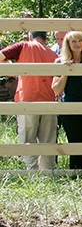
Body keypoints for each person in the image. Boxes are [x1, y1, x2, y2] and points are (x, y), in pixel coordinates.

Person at [0, 31, 58, 170]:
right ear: (45, 39)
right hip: (49, 99)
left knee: (28, 138)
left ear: (31, 36)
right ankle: (47, 173)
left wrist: (11, 70)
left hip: (27, 99)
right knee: (48, 139)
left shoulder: (23, 46)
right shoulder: (52, 54)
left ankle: (31, 172)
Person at [52, 31, 82, 170]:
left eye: (80, 41)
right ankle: (75, 172)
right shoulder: (60, 62)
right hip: (69, 107)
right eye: (74, 41)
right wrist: (66, 72)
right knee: (74, 139)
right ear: (68, 44)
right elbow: (55, 89)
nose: (77, 44)